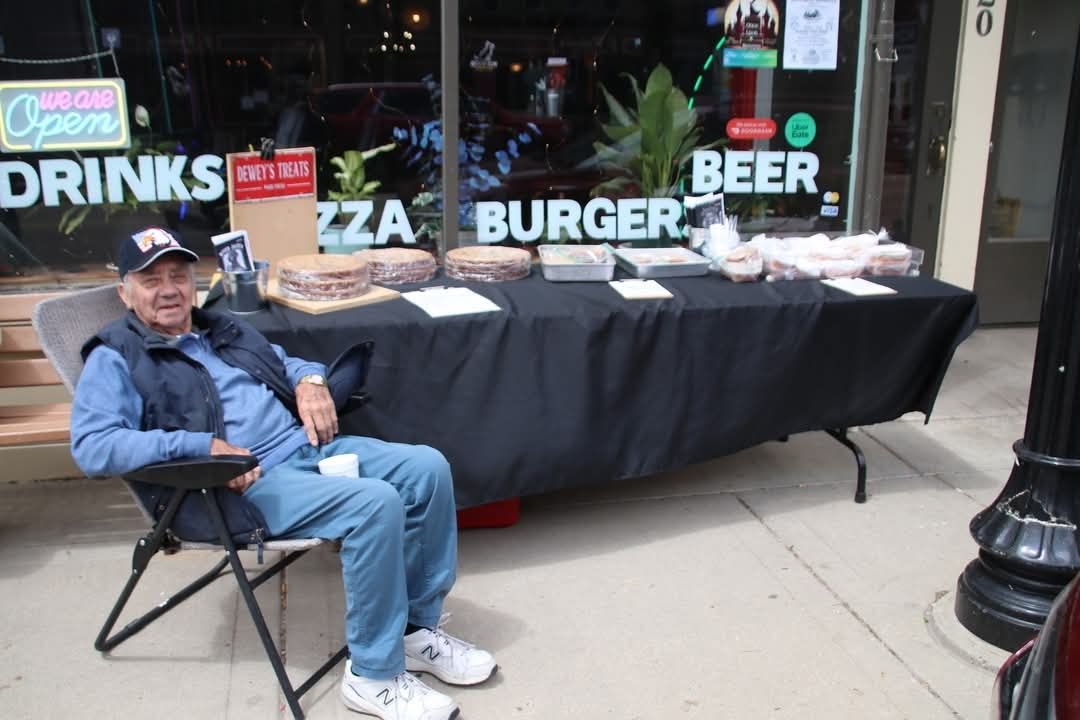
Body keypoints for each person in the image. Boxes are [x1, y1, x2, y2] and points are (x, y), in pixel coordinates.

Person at [70, 227, 495, 720]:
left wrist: (310, 380)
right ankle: (373, 676)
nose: (168, 290)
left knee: (427, 468)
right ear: (125, 293)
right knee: (374, 504)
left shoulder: (219, 328)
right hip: (240, 485)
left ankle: (415, 631)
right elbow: (93, 446)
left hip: (304, 447)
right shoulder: (115, 356)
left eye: (178, 276)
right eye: (151, 280)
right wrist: (199, 447)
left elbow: (283, 362)